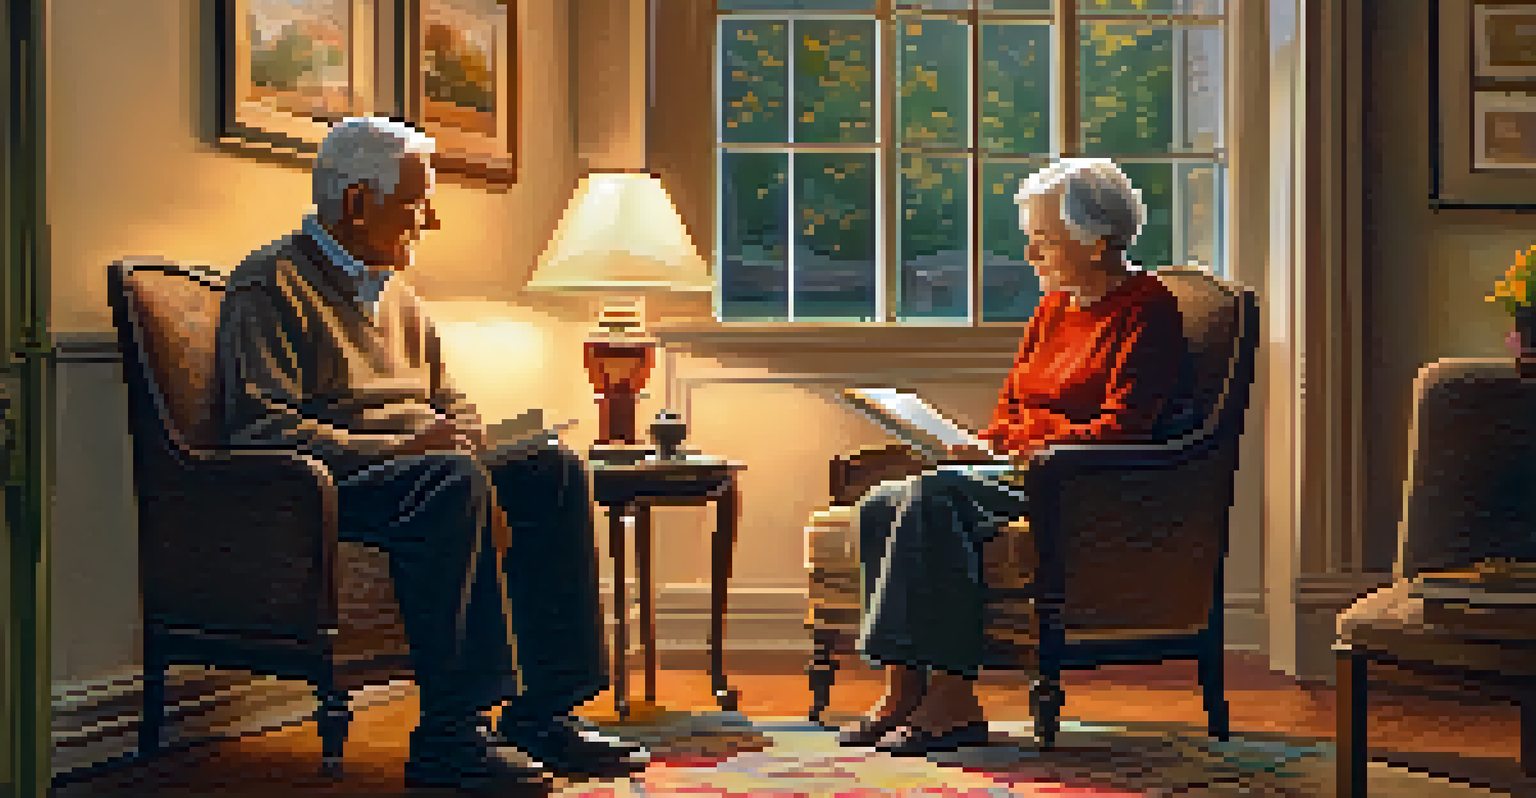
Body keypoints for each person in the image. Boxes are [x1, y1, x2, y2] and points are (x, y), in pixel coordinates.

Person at [213, 117, 649, 791]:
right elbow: (261, 428)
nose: (431, 219)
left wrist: (474, 439)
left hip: (429, 470)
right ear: (358, 203)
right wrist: (407, 447)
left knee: (554, 470)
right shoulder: (267, 286)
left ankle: (543, 710)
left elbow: (453, 401)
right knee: (447, 478)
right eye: (418, 201)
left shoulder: (399, 295)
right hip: (339, 485)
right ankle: (452, 732)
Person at [841, 159, 1193, 755]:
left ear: (1098, 242)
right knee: (882, 500)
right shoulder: (1055, 307)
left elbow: (1124, 428)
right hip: (1019, 464)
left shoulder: (1148, 312)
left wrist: (1018, 446)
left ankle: (954, 698)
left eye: (1044, 241)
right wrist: (986, 442)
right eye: (1030, 239)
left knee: (935, 493)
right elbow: (1013, 403)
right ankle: (903, 687)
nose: (1031, 256)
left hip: (1080, 479)